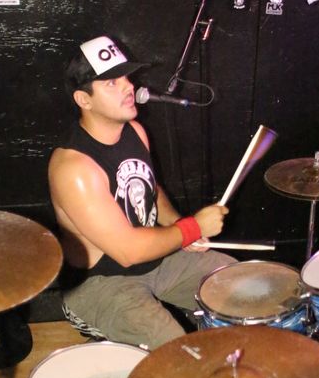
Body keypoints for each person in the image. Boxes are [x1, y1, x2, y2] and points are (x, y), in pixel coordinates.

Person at [48, 35, 236, 349]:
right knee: (177, 350)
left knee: (237, 284)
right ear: (84, 99)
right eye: (112, 82)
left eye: (126, 78)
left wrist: (180, 225)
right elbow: (128, 252)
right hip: (101, 283)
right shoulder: (74, 168)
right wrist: (192, 228)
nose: (128, 87)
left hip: (156, 262)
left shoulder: (134, 131)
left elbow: (151, 187)